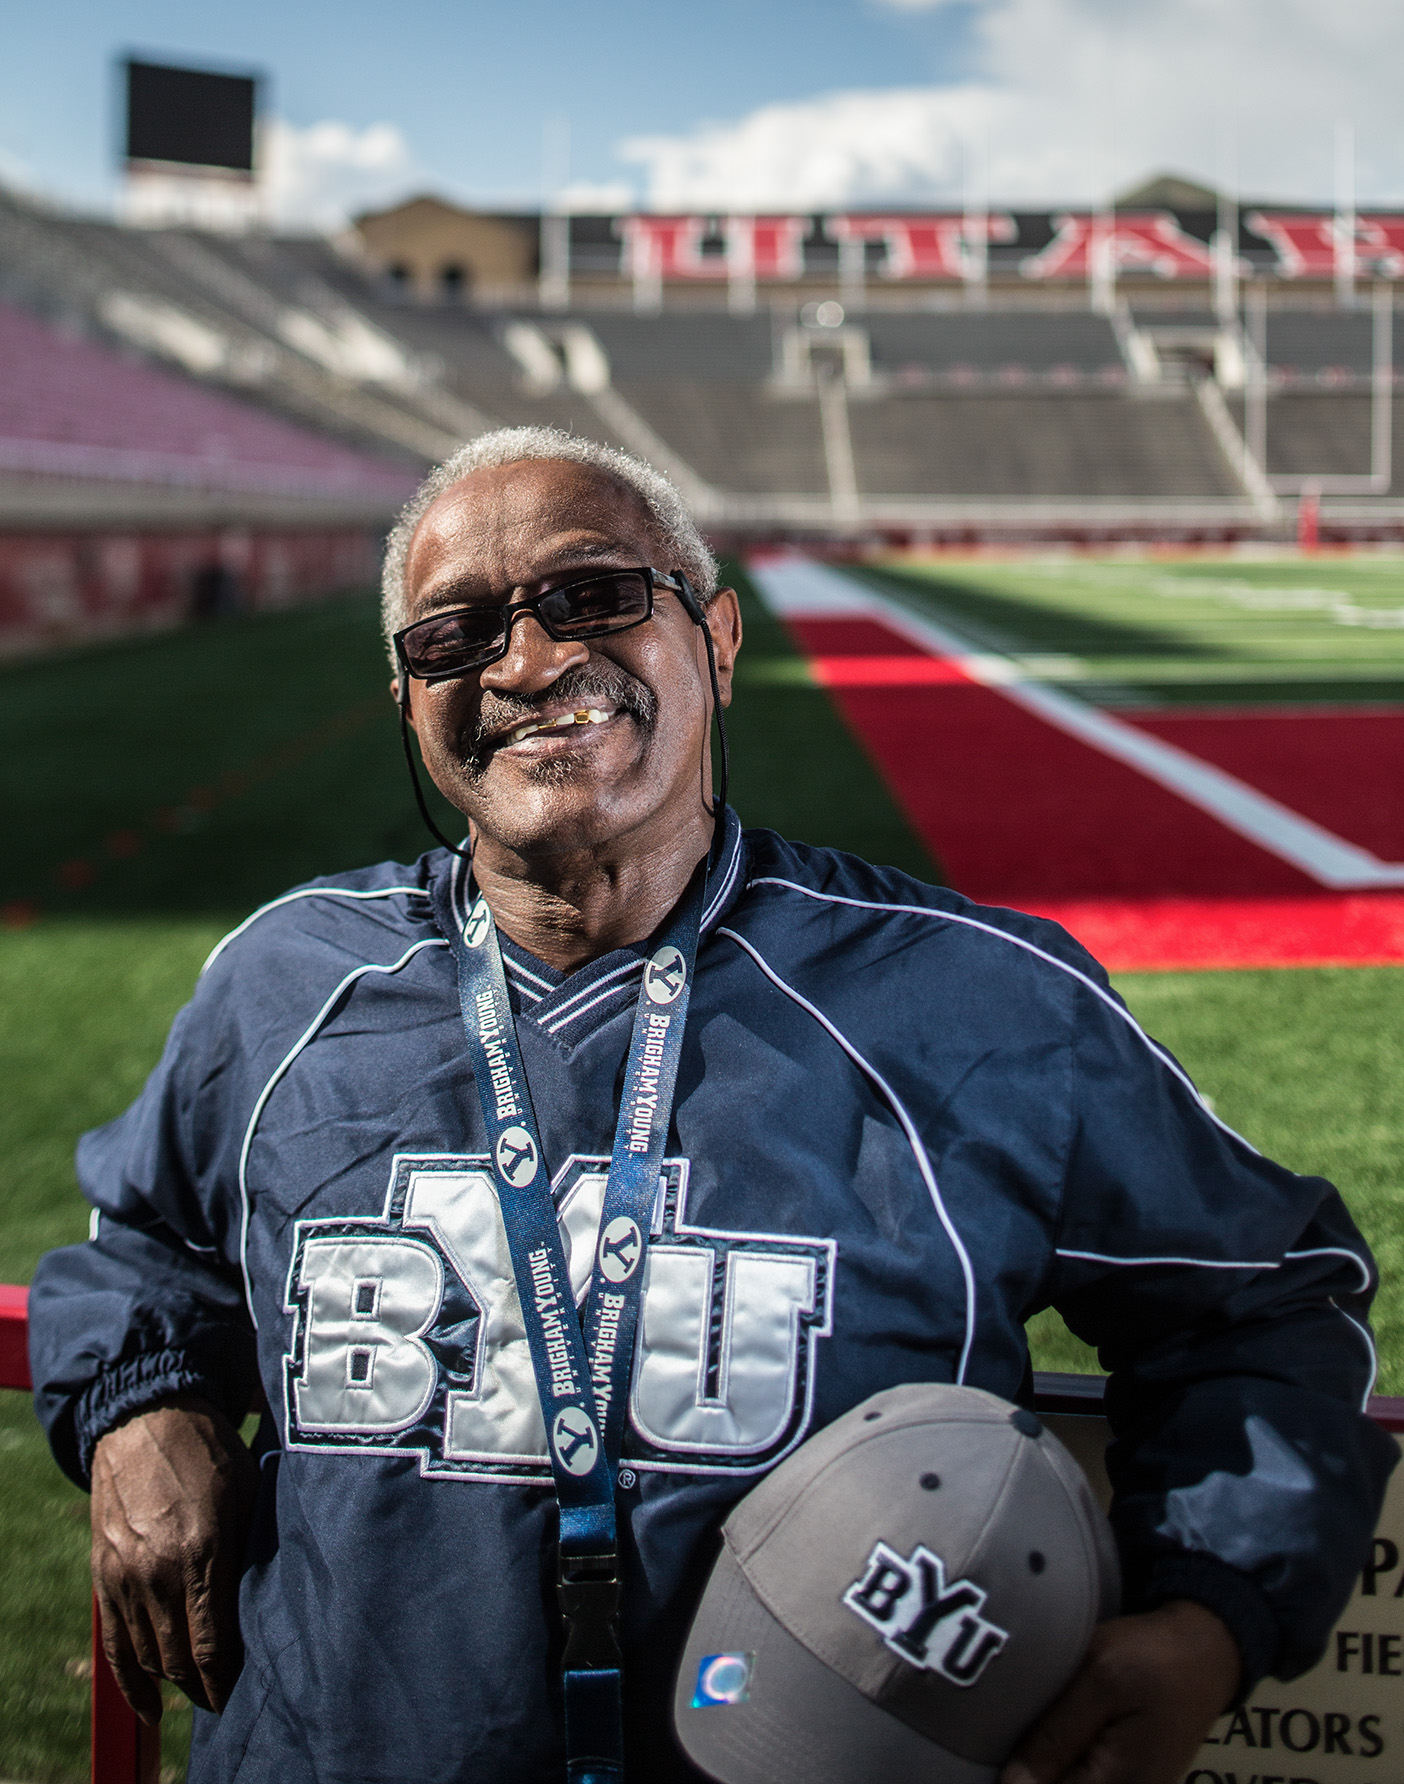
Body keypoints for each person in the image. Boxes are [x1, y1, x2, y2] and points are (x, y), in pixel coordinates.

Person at [29, 427, 1395, 1784]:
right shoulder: (283, 985)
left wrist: (1212, 1611)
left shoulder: (980, 1002)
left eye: (595, 596)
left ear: (720, 642)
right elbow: (143, 1246)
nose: (526, 660)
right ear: (409, 701)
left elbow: (1264, 1305)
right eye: (453, 635)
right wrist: (143, 1403)